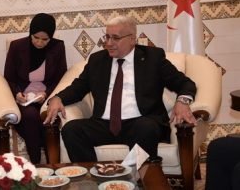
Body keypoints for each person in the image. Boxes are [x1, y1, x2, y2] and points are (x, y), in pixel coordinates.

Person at [44, 15, 197, 162]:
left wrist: (183, 101)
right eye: (107, 37)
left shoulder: (153, 58)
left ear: (132, 39)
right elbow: (78, 87)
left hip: (141, 123)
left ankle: (134, 178)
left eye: (115, 38)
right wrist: (57, 98)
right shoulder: (97, 60)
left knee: (145, 128)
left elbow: (185, 83)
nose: (109, 43)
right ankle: (95, 178)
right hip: (104, 125)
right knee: (71, 130)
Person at [4, 13, 67, 163]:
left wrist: (47, 94)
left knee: (47, 118)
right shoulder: (16, 46)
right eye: (36, 37)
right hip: (24, 98)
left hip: (47, 97)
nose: (39, 42)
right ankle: (36, 163)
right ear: (30, 33)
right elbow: (9, 78)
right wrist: (17, 93)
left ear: (51, 37)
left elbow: (61, 77)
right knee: (31, 117)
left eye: (45, 39)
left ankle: (52, 164)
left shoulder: (58, 47)